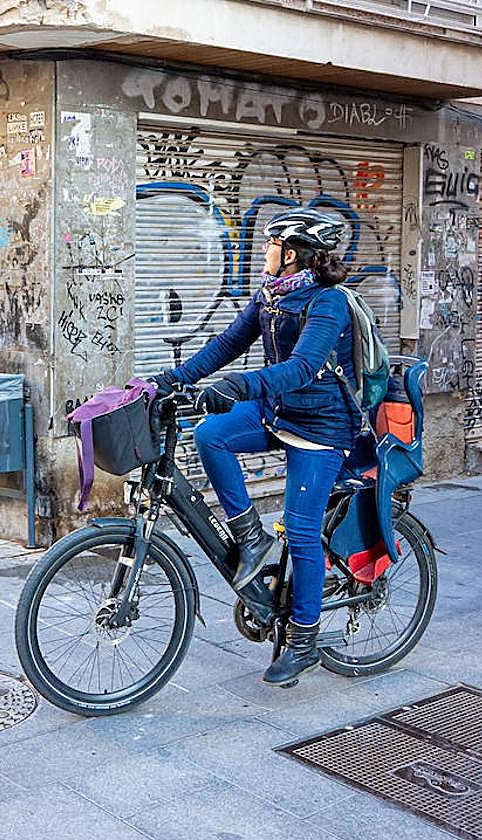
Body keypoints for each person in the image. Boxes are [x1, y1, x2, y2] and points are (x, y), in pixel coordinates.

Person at [150, 207, 367, 686]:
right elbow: (227, 342)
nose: (263, 252)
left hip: (321, 426)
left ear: (292, 254)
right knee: (211, 433)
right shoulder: (271, 295)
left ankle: (305, 639)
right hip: (277, 411)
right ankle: (250, 537)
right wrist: (173, 378)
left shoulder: (327, 303)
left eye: (271, 245)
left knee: (302, 530)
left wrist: (237, 387)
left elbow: (302, 369)